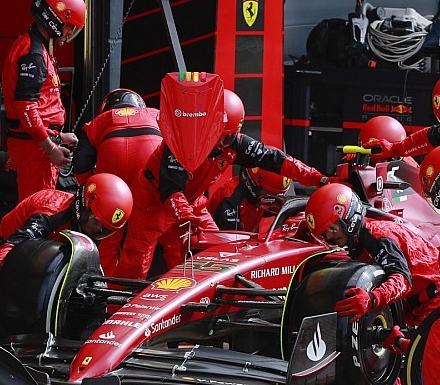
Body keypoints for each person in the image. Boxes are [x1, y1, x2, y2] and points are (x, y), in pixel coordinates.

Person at [116, 88, 325, 280]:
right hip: (152, 202)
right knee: (136, 263)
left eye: (228, 137)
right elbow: (170, 190)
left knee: (214, 253)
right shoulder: (180, 139)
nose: (222, 143)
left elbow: (275, 159)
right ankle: (117, 304)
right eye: (218, 135)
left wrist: (318, 179)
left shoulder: (235, 143)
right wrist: (187, 217)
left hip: (191, 202)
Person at [303, 181, 440, 334]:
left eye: (332, 228)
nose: (329, 236)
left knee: (426, 347)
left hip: (436, 299)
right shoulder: (358, 242)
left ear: (348, 217)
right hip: (413, 308)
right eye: (323, 233)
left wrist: (372, 298)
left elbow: (403, 280)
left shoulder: (379, 237)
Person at [0, 173, 133, 297]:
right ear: (83, 204)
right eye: (96, 222)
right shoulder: (50, 210)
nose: (98, 230)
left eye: (105, 229)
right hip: (1, 252)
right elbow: (15, 243)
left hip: (38, 261)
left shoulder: (90, 228)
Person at [1, 0, 85, 199]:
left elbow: (40, 106)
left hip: (34, 144)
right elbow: (26, 107)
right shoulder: (34, 54)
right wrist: (50, 148)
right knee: (38, 208)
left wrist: (58, 137)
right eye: (69, 28)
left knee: (39, 204)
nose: (69, 35)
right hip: (35, 150)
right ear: (56, 21)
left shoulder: (34, 46)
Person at [71, 88, 162, 187]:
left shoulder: (97, 122)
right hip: (152, 166)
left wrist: (90, 187)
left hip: (112, 175)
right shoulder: (156, 114)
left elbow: (80, 165)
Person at [208, 166, 292, 232]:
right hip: (219, 244)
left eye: (277, 195)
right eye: (269, 194)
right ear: (255, 184)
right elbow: (232, 242)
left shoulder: (258, 197)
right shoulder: (230, 199)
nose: (271, 199)